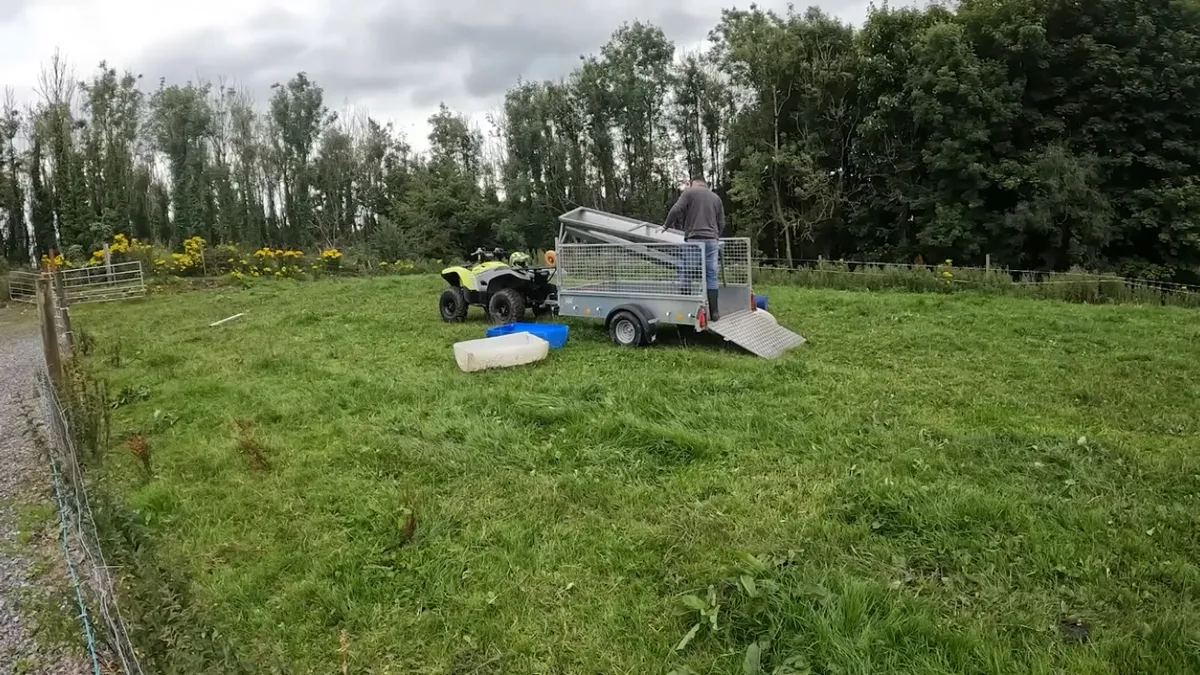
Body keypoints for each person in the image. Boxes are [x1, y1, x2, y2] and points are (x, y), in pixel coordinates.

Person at [664, 177, 726, 320]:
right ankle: (715, 312)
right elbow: (721, 223)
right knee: (711, 275)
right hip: (712, 241)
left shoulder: (689, 193)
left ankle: (686, 308)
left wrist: (666, 225)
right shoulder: (716, 198)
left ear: (694, 184)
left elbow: (676, 209)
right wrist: (715, 236)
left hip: (694, 240)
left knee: (686, 271)